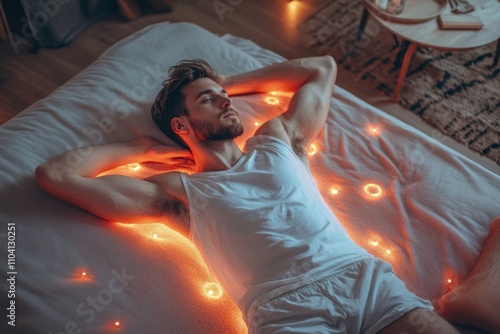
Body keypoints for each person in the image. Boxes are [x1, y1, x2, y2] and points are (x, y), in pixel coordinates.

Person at [35, 56, 499, 333]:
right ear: (182, 126)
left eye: (222, 95)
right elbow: (55, 175)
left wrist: (223, 84)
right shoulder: (179, 193)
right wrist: (140, 148)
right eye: (208, 101)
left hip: (365, 280)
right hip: (287, 310)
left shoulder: (277, 139)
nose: (225, 102)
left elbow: (321, 68)